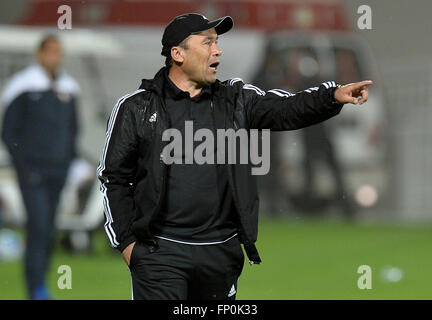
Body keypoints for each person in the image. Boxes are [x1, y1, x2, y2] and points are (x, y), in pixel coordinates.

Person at [97, 13, 372, 300]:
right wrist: (128, 244)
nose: (217, 51)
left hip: (219, 253)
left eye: (217, 43)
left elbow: (285, 108)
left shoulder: (236, 100)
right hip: (160, 254)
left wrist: (331, 96)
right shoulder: (136, 107)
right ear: (178, 54)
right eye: (207, 43)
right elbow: (113, 178)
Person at [1, 35, 80, 299]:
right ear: (39, 54)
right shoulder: (22, 86)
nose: (55, 57)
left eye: (59, 52)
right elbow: (9, 131)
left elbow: (73, 131)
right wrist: (23, 165)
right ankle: (34, 288)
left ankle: (41, 284)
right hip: (32, 171)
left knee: (49, 229)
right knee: (38, 226)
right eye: (50, 52)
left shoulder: (69, 88)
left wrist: (69, 162)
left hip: (59, 171)